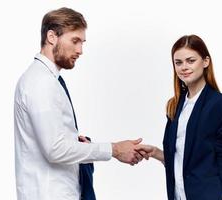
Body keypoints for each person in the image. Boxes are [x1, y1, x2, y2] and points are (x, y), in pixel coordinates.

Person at [14, 7, 145, 200]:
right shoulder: (41, 82)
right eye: (74, 41)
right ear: (52, 37)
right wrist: (114, 149)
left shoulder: (47, 79)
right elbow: (55, 149)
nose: (80, 50)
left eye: (82, 43)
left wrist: (75, 141)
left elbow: (52, 141)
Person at [136, 35, 222, 200]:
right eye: (178, 62)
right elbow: (183, 158)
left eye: (190, 61)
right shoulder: (175, 105)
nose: (184, 67)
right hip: (178, 194)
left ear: (205, 62)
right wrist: (156, 153)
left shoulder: (221, 104)